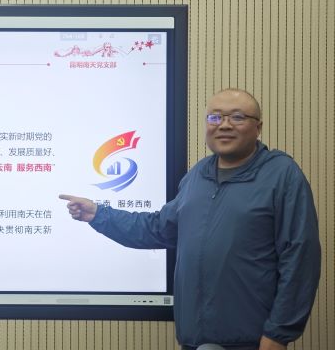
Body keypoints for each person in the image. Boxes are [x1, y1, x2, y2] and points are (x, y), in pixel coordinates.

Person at [60, 89, 321, 350]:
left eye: (237, 117)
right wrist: (99, 214)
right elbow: (158, 228)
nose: (224, 125)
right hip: (194, 340)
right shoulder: (198, 175)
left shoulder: (281, 175)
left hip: (252, 341)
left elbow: (300, 257)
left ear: (258, 127)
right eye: (215, 117)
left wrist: (278, 334)